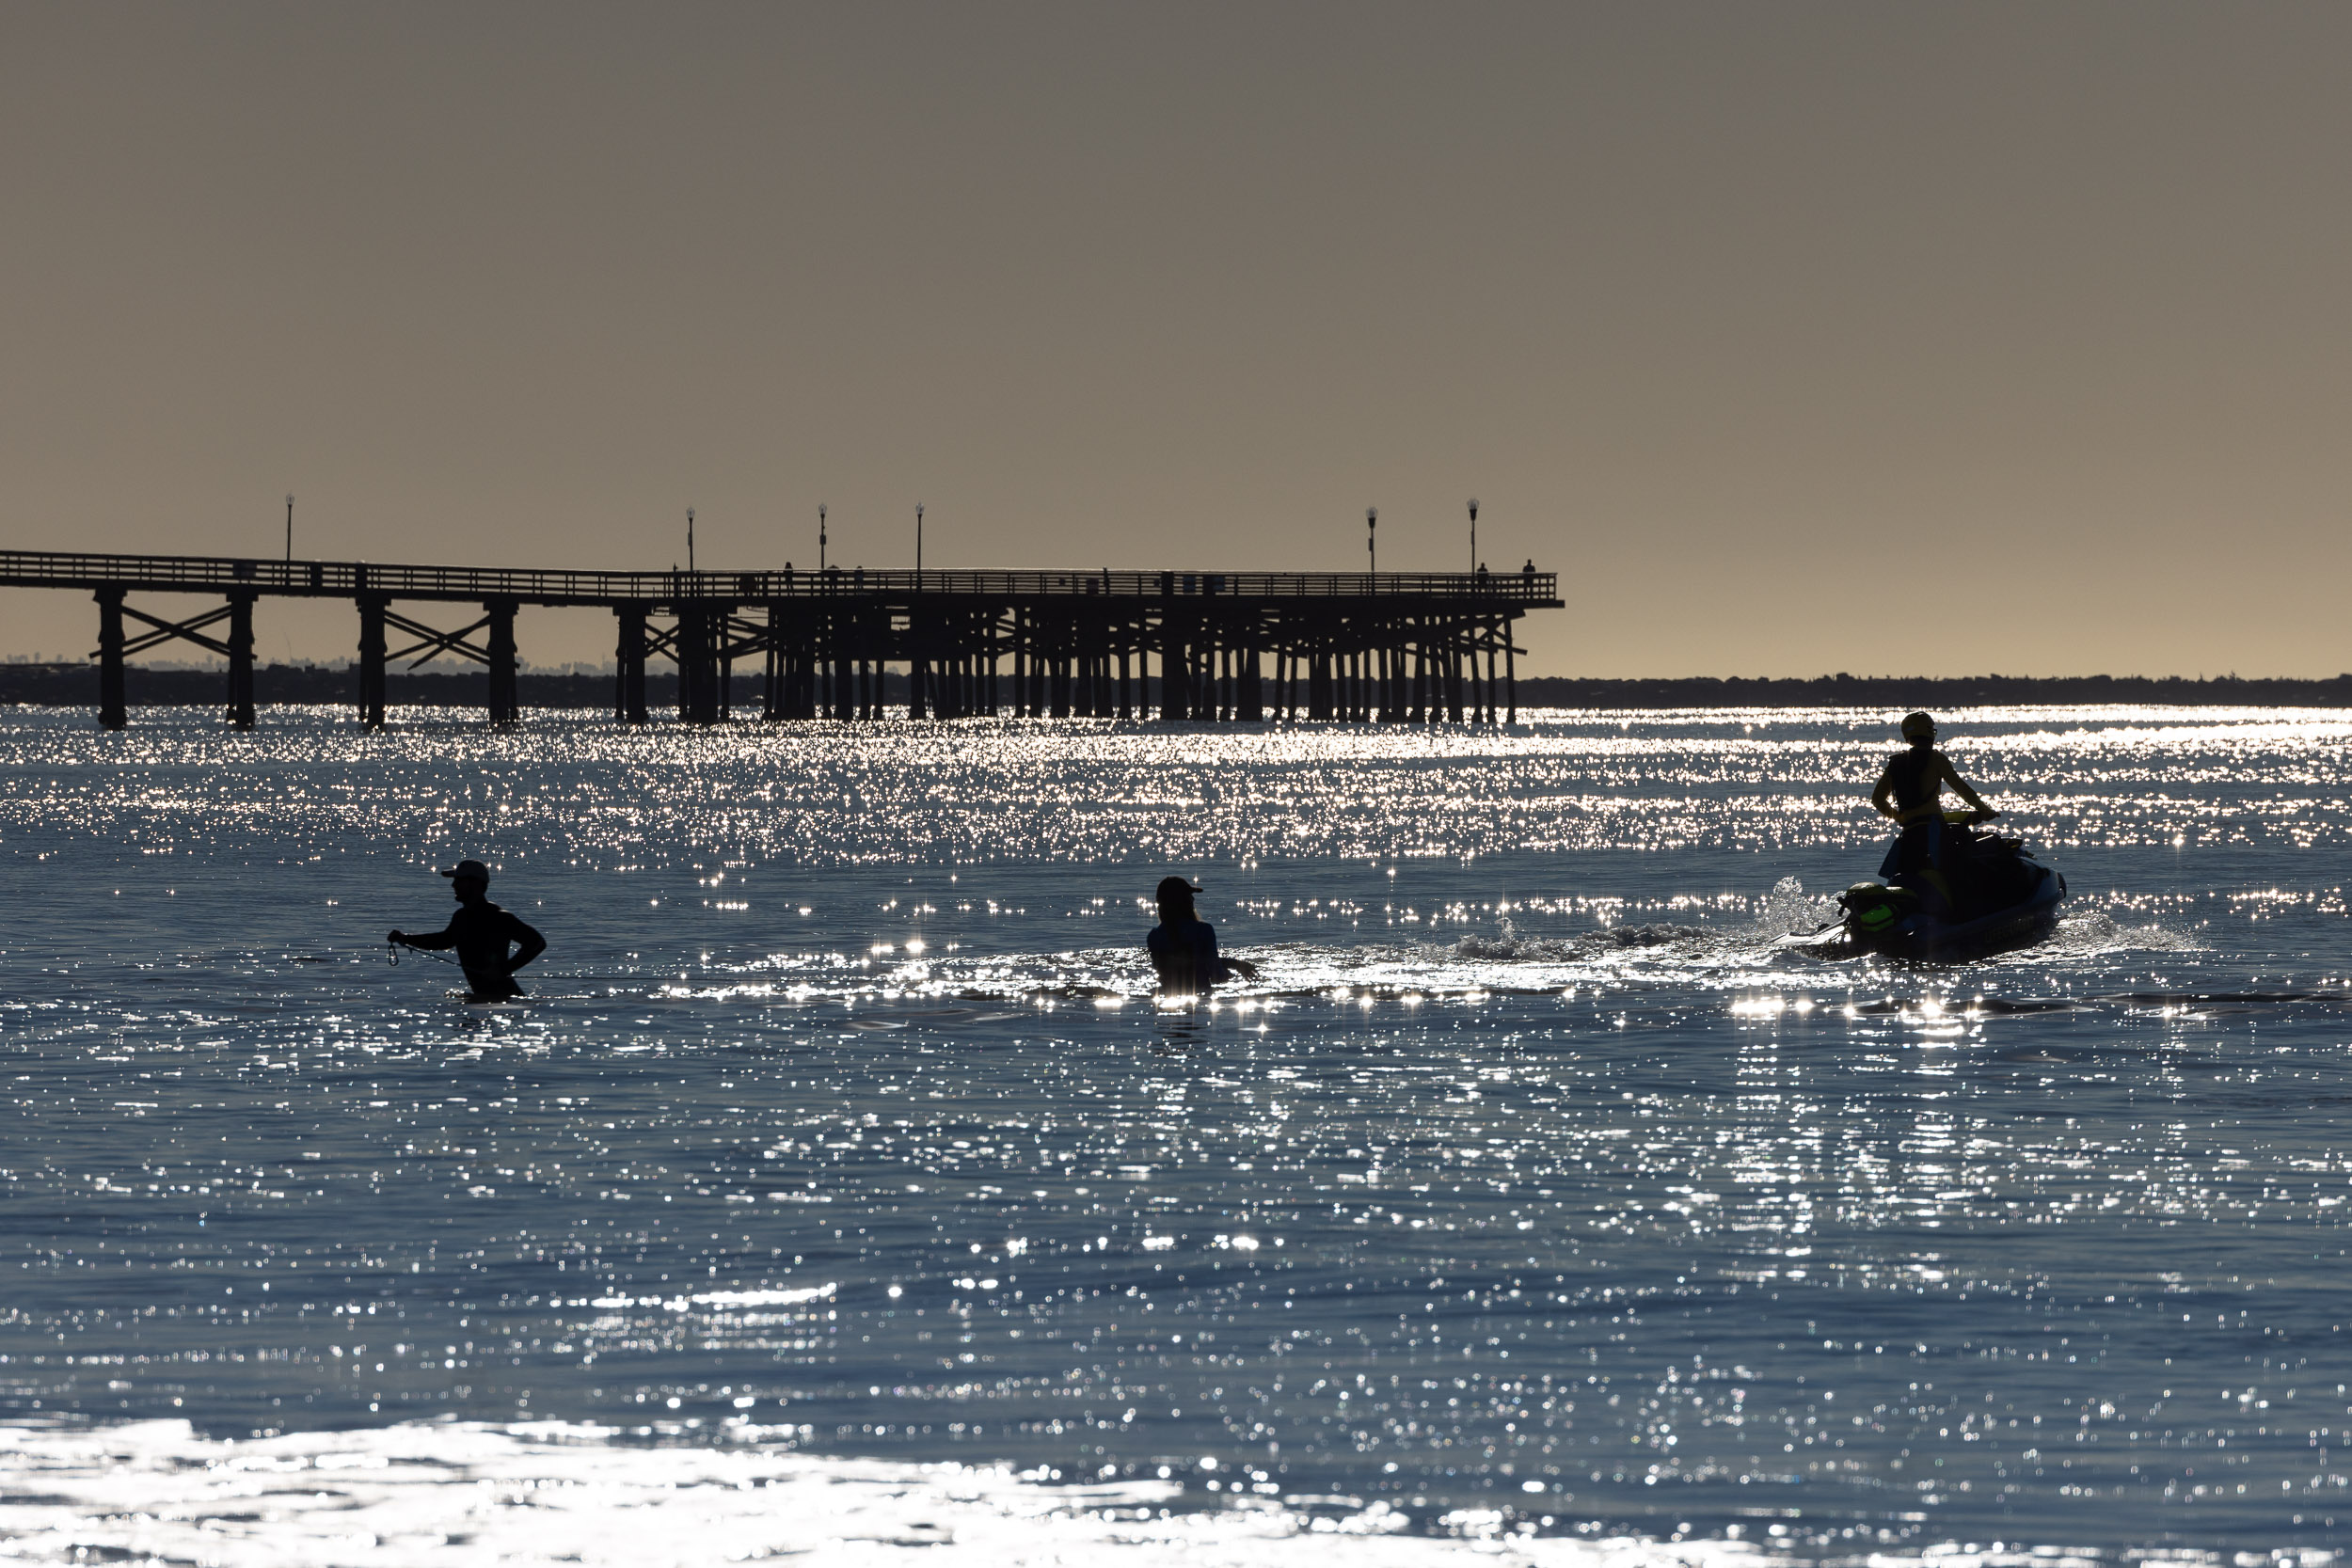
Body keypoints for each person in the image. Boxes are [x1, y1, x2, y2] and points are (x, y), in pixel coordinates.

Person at [1869, 712, 1996, 904]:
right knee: (1958, 871)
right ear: (1930, 732)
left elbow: (1877, 800)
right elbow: (1961, 788)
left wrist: (1899, 817)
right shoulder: (1936, 759)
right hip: (1935, 832)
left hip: (1909, 835)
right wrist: (1983, 809)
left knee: (1908, 876)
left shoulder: (1895, 764)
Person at [389, 859, 547, 1003]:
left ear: (476, 884)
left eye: (459, 881)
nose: (453, 885)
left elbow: (537, 942)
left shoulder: (498, 917)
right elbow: (445, 941)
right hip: (484, 1000)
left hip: (504, 1000)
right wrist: (406, 938)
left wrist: (504, 969)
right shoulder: (462, 917)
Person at [1147, 876, 1259, 996]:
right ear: (1184, 902)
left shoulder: (1154, 936)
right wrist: (1231, 975)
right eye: (1189, 895)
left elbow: (1183, 962)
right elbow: (1217, 977)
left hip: (1166, 996)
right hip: (1200, 996)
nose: (1193, 898)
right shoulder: (1203, 930)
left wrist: (1235, 964)